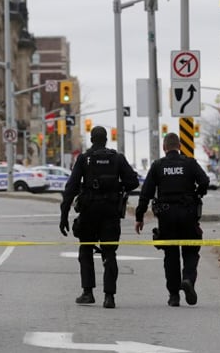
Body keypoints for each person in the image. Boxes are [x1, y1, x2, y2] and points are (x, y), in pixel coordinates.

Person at [59, 126, 139, 309]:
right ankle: (109, 296)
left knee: (85, 250)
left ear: (92, 139)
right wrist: (117, 187)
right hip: (110, 212)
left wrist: (63, 215)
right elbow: (133, 181)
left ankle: (88, 293)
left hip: (89, 212)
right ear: (106, 140)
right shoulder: (117, 158)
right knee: (110, 253)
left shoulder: (84, 159)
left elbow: (70, 188)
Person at [134, 132, 209, 307]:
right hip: (188, 214)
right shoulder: (189, 163)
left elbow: (146, 193)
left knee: (171, 255)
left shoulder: (158, 166)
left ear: (164, 147)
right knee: (191, 250)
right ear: (180, 146)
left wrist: (140, 216)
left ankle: (174, 295)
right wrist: (196, 195)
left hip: (166, 217)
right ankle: (188, 279)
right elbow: (204, 181)